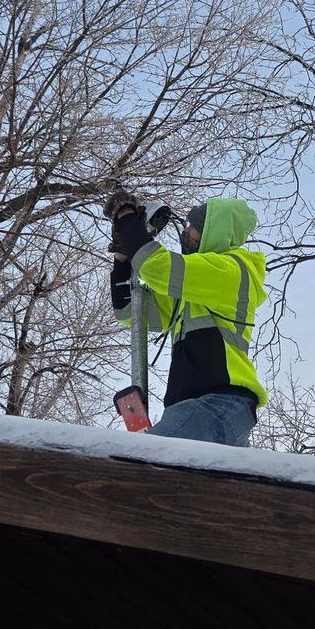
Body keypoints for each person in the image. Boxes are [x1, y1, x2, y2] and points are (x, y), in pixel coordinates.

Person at [106, 190, 267, 444]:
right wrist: (122, 258)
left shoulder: (231, 269)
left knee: (143, 466)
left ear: (216, 231)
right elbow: (128, 313)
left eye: (194, 226)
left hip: (218, 403)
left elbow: (157, 267)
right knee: (172, 480)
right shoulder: (192, 294)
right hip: (195, 409)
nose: (187, 231)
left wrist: (127, 220)